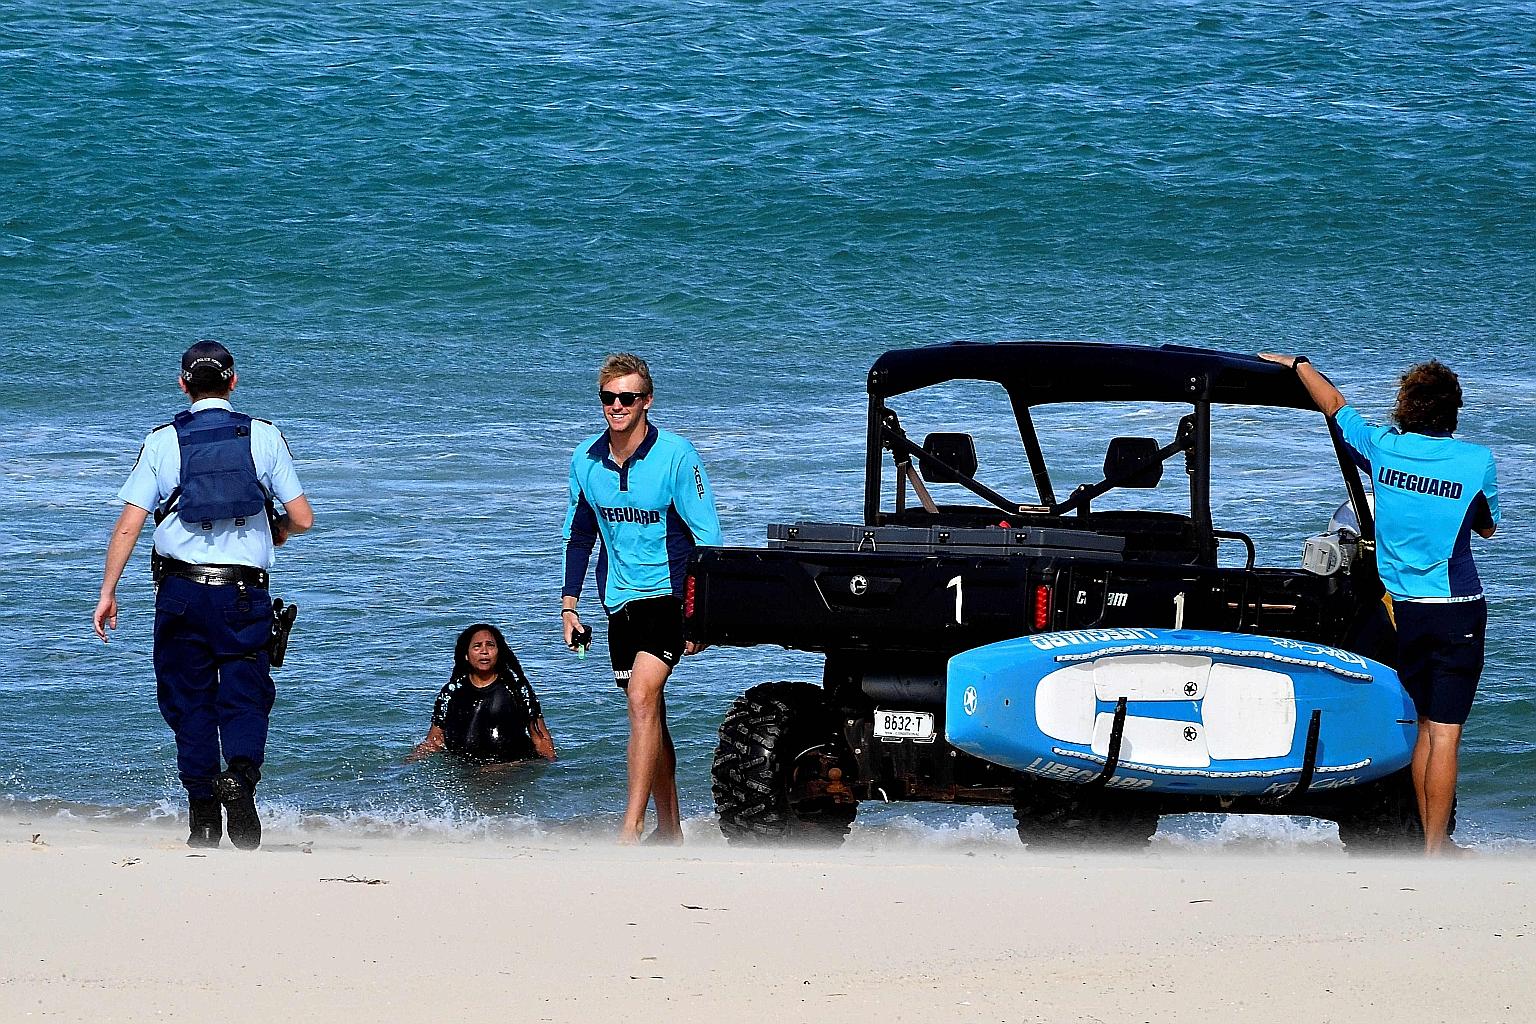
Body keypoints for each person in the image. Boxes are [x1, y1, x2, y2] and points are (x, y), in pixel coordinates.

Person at [1260, 352, 1499, 855]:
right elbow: (1486, 526)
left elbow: (1335, 406)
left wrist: (1299, 364)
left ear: (1405, 407)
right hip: (1458, 607)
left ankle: (1424, 845)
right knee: (1447, 733)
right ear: (1452, 413)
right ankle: (1436, 849)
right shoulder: (1475, 461)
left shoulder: (1382, 448)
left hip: (1405, 612)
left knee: (1424, 731)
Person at [92, 341, 314, 851]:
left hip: (179, 593)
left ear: (183, 383)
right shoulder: (264, 436)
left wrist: (108, 592)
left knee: (188, 701)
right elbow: (302, 518)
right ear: (234, 382)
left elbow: (129, 526)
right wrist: (276, 529)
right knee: (245, 692)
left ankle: (203, 819)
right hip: (243, 593)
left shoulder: (162, 441)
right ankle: (239, 778)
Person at [561, 353, 723, 844]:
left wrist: (698, 619)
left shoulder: (677, 456)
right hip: (619, 603)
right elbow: (580, 536)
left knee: (641, 697)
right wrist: (570, 606)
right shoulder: (586, 460)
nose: (617, 406)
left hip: (668, 599)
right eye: (608, 398)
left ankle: (630, 828)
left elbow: (708, 539)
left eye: (627, 398)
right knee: (648, 714)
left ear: (646, 401)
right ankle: (670, 829)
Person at [410, 623, 557, 765]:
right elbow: (435, 740)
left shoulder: (516, 688)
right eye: (477, 646)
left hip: (512, 768)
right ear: (466, 655)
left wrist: (552, 767)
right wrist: (405, 765)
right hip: (465, 769)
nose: (484, 651)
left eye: (490, 645)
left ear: (499, 652)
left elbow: (539, 737)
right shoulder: (452, 691)